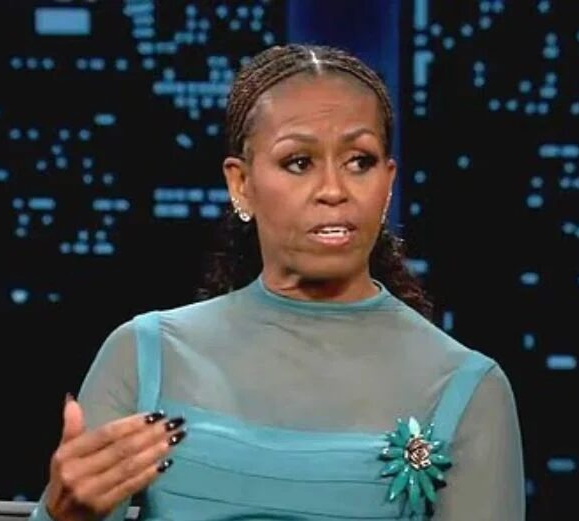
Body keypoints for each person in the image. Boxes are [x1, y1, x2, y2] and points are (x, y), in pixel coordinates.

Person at [29, 44, 525, 520]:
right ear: (241, 184)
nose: (333, 190)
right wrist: (63, 516)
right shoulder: (145, 356)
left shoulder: (467, 389)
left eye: (360, 161)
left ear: (389, 182)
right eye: (299, 163)